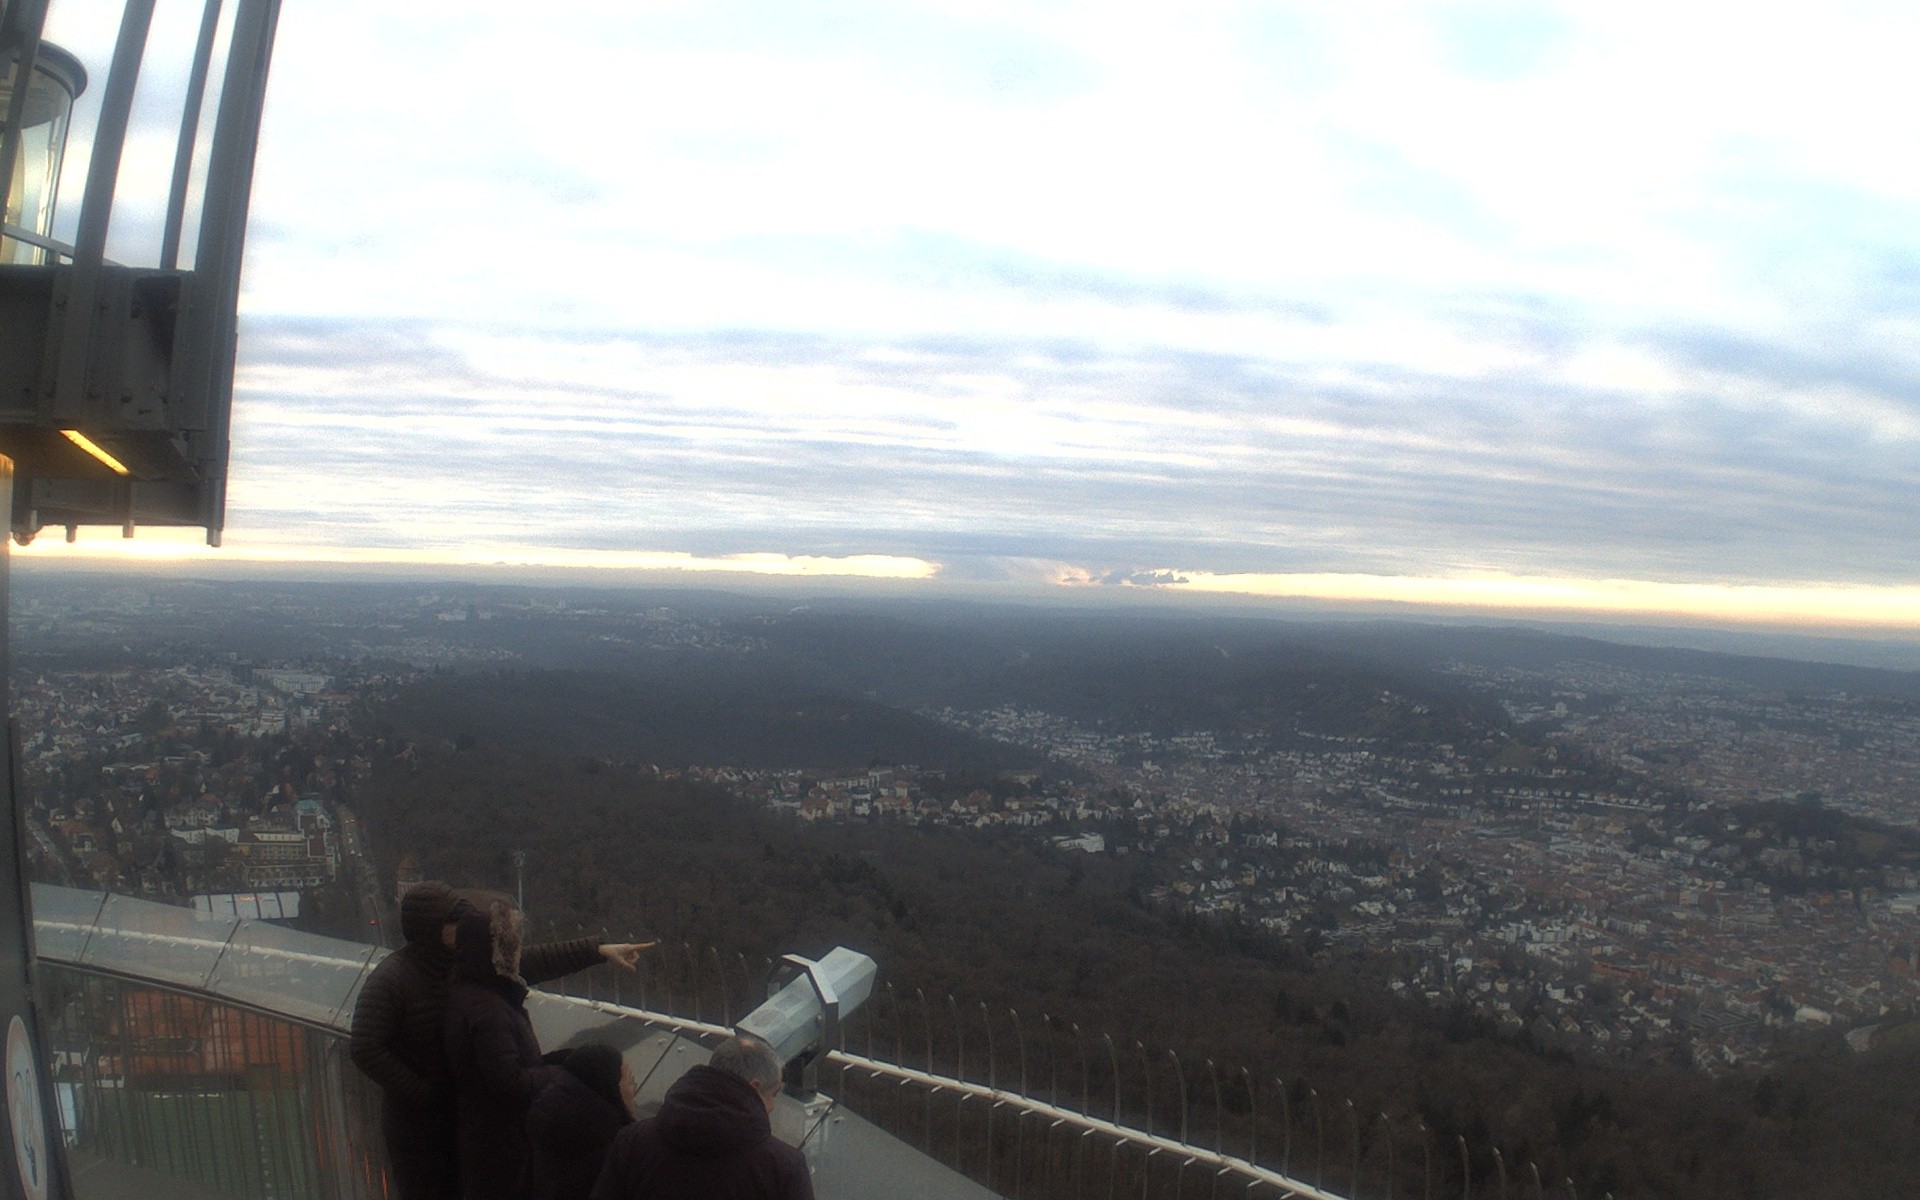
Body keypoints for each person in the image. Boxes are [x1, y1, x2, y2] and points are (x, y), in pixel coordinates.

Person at [350, 882, 651, 1200]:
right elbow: (365, 1046)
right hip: (418, 1128)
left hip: (462, 1113)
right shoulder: (391, 979)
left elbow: (528, 961)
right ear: (430, 929)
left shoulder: (465, 964)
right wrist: (423, 1093)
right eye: (454, 921)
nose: (462, 926)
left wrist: (597, 951)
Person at [589, 1033, 815, 1200]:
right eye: (773, 1094)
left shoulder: (633, 1141)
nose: (773, 1107)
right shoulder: (783, 1166)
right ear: (754, 1087)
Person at [526, 1044, 635, 1200]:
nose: (634, 1089)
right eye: (630, 1081)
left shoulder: (550, 1114)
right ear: (608, 1085)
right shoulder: (610, 1140)